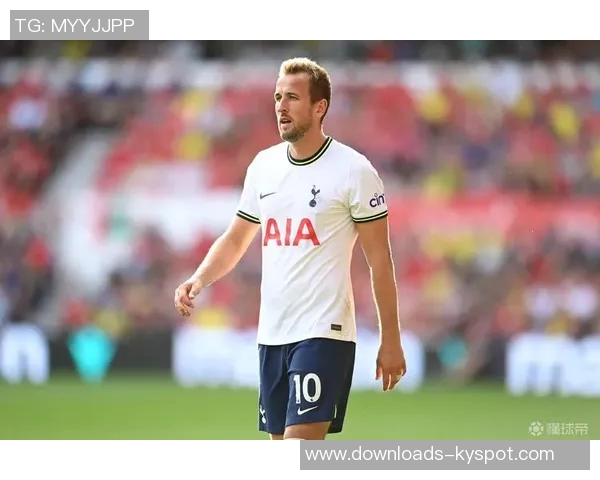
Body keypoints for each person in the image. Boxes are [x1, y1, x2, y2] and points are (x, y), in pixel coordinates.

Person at [174, 57, 407, 440]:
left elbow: (380, 261)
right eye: (278, 97)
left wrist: (391, 339)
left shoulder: (354, 170)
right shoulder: (263, 167)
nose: (281, 106)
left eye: (293, 98)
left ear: (320, 107)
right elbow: (236, 238)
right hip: (272, 335)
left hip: (323, 333)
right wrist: (199, 279)